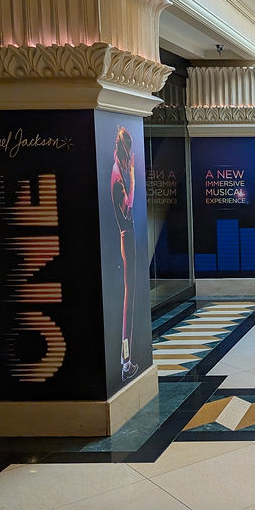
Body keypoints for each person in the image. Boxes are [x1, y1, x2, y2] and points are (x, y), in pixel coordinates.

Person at [111, 126, 139, 382]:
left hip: (127, 237)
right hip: (126, 239)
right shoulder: (118, 178)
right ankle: (125, 359)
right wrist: (132, 176)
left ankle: (126, 358)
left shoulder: (117, 173)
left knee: (129, 297)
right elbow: (127, 207)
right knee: (128, 298)